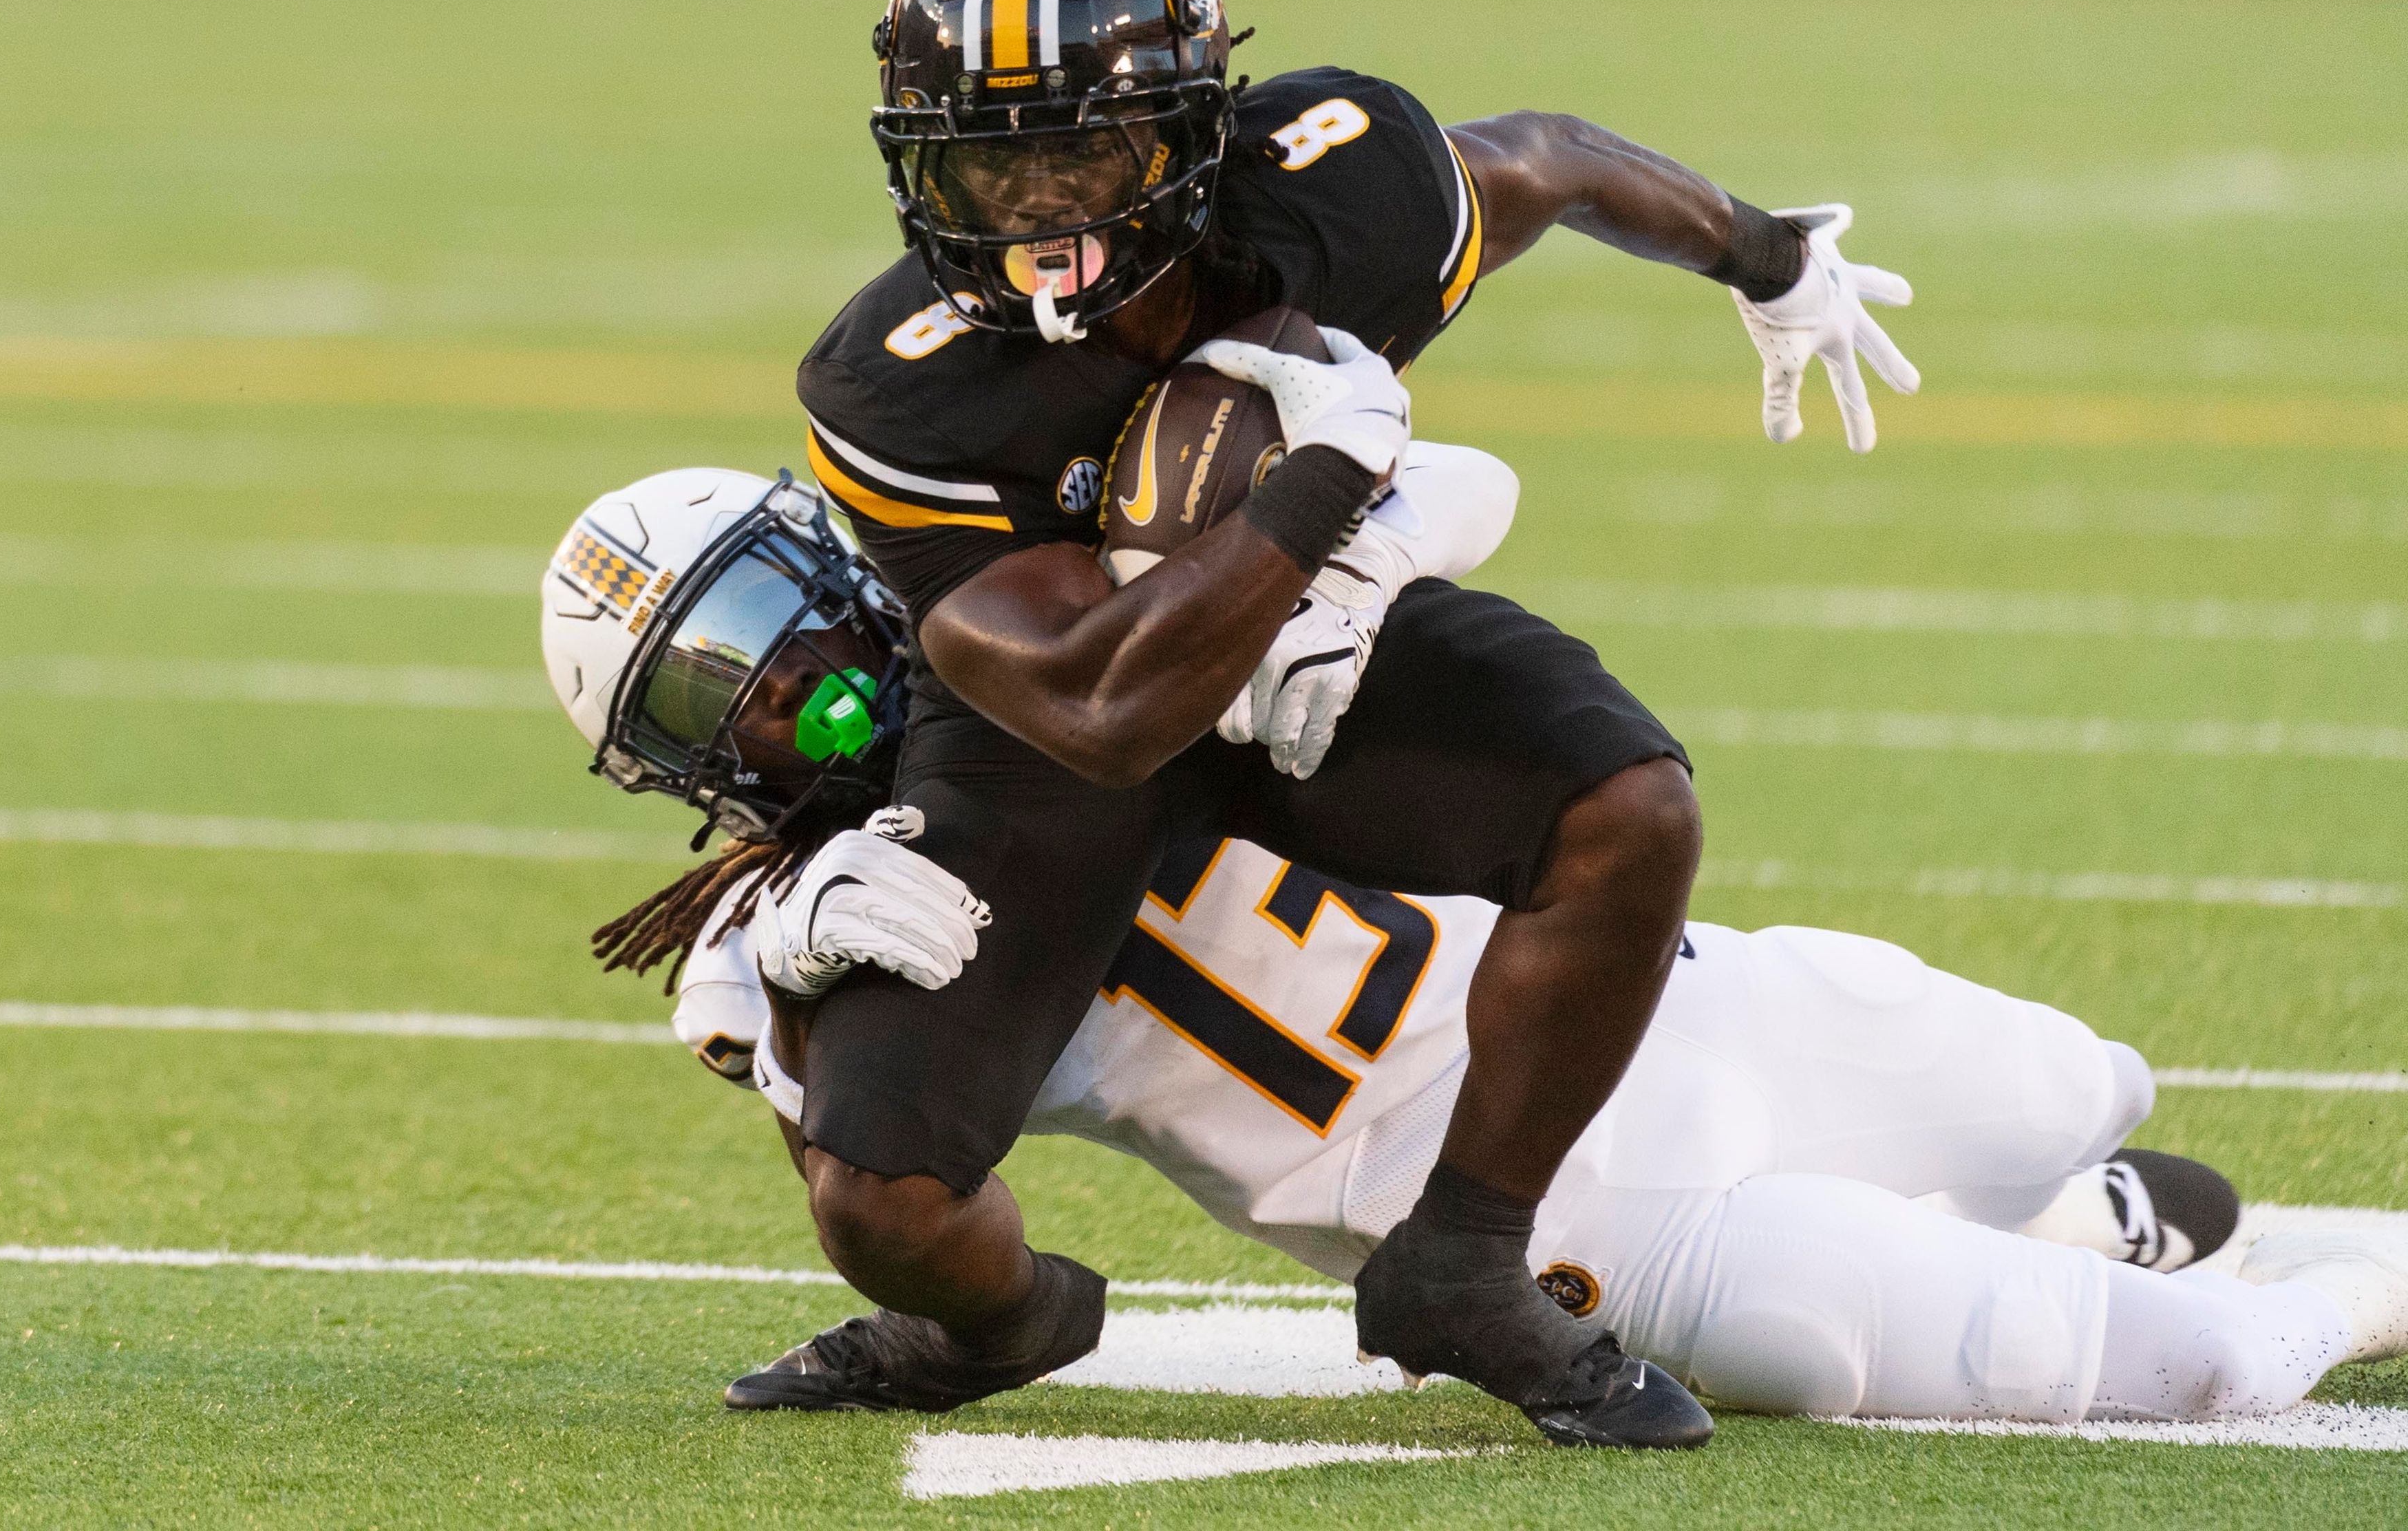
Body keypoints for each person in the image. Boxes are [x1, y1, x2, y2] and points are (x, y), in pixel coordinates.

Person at [775, 0, 1918, 1445]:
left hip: (1309, 631)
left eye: (1078, 153)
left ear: (1191, 134)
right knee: (882, 1195)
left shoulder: (1340, 185)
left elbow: (1559, 161)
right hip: (1057, 714)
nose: (1036, 208)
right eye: (987, 169)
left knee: (1630, 809)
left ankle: (1461, 1256)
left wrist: (1765, 253)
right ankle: (996, 1319)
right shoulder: (893, 383)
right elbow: (1105, 715)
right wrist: (1319, 483)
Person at [540, 467, 2408, 1428]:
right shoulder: (791, 958)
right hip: (1592, 1230)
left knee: (2085, 1088)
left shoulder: (1094, 630)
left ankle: (2060, 1205)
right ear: (675, 768)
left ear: (841, 554)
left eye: (778, 621)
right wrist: (801, 1016)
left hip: (1685, 1003)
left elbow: (1451, 484)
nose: (795, 692)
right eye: (724, 689)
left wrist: (1320, 554)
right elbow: (887, 1186)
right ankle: (2355, 1288)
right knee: (2215, 1373)